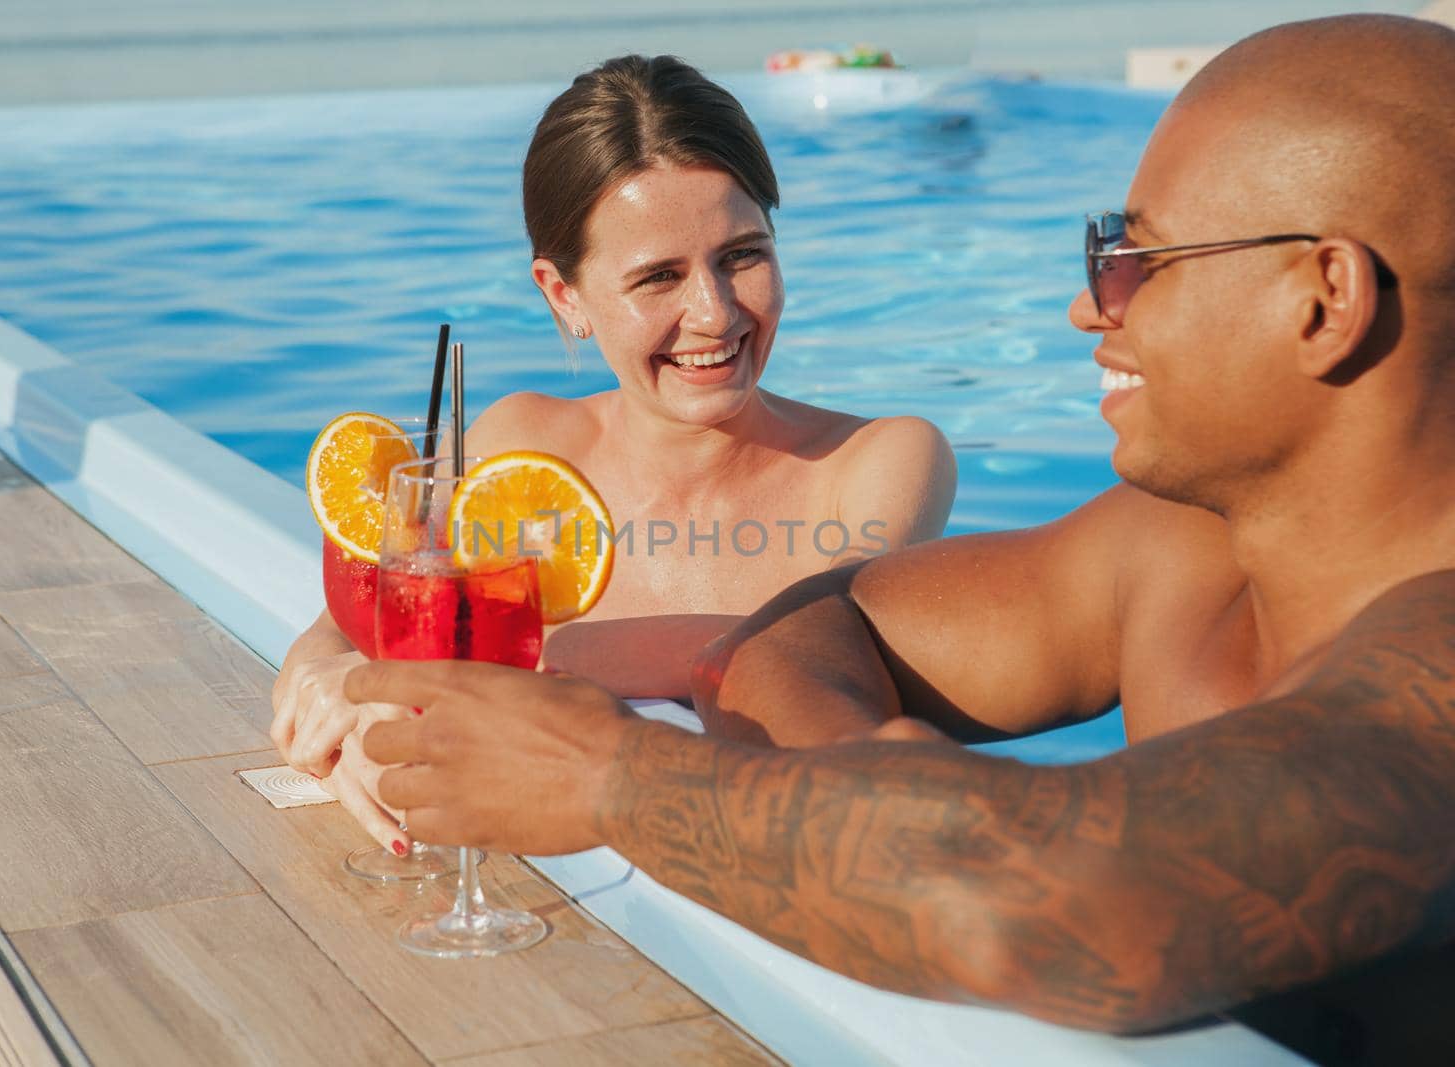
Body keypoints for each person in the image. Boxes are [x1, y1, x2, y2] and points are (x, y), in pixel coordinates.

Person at [345, 15, 1455, 1064]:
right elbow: (820, 619)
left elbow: (1062, 906)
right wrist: (870, 801)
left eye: (1134, 258)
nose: (1089, 306)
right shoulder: (1169, 550)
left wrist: (602, 772)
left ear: (1325, 298)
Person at [269, 56, 954, 847]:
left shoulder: (880, 460)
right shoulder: (520, 448)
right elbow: (363, 615)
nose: (714, 312)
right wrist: (327, 678)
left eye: (743, 255)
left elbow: (810, 645)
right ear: (565, 296)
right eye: (659, 277)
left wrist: (476, 666)